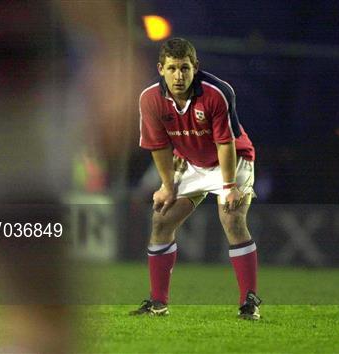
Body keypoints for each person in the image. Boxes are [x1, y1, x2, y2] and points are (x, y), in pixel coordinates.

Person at [130, 37, 262, 320]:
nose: (179, 76)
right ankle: (158, 302)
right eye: (173, 68)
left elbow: (225, 142)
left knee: (232, 219)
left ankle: (249, 302)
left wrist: (229, 187)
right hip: (192, 162)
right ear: (161, 69)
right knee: (162, 220)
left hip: (232, 160)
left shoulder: (217, 92)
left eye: (185, 68)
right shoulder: (149, 98)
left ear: (195, 67)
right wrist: (167, 186)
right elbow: (159, 146)